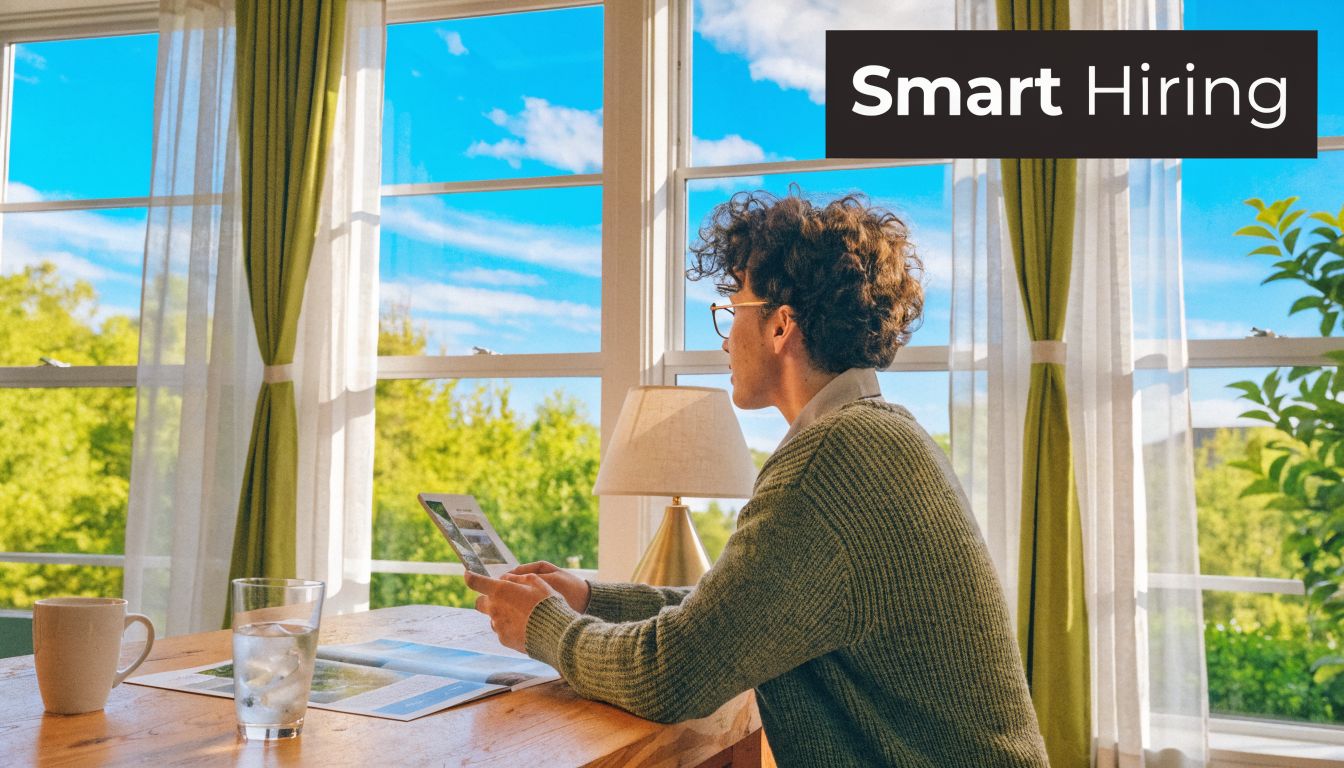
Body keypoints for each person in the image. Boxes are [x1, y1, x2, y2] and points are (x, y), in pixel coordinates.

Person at [466, 190, 1049, 767]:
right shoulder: (876, 437)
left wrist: (543, 626)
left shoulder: (833, 461)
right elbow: (742, 614)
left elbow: (672, 675)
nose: (725, 337)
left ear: (780, 326)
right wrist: (592, 598)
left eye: (732, 308)